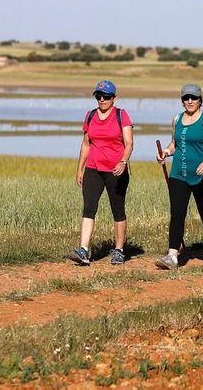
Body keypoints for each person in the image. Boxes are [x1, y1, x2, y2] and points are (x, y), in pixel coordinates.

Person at [155, 84, 203, 269]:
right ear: (182, 100)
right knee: (177, 214)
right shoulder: (176, 118)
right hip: (179, 174)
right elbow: (175, 143)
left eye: (194, 97)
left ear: (201, 99)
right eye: (186, 98)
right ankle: (172, 256)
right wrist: (166, 152)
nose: (190, 101)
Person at [69, 80, 134, 266]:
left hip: (116, 170)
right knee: (89, 207)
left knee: (118, 210)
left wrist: (123, 162)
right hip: (93, 169)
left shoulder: (122, 115)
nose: (102, 100)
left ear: (114, 98)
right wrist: (79, 168)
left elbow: (129, 143)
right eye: (99, 96)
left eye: (106, 96)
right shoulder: (90, 116)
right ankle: (83, 250)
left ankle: (119, 250)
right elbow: (86, 144)